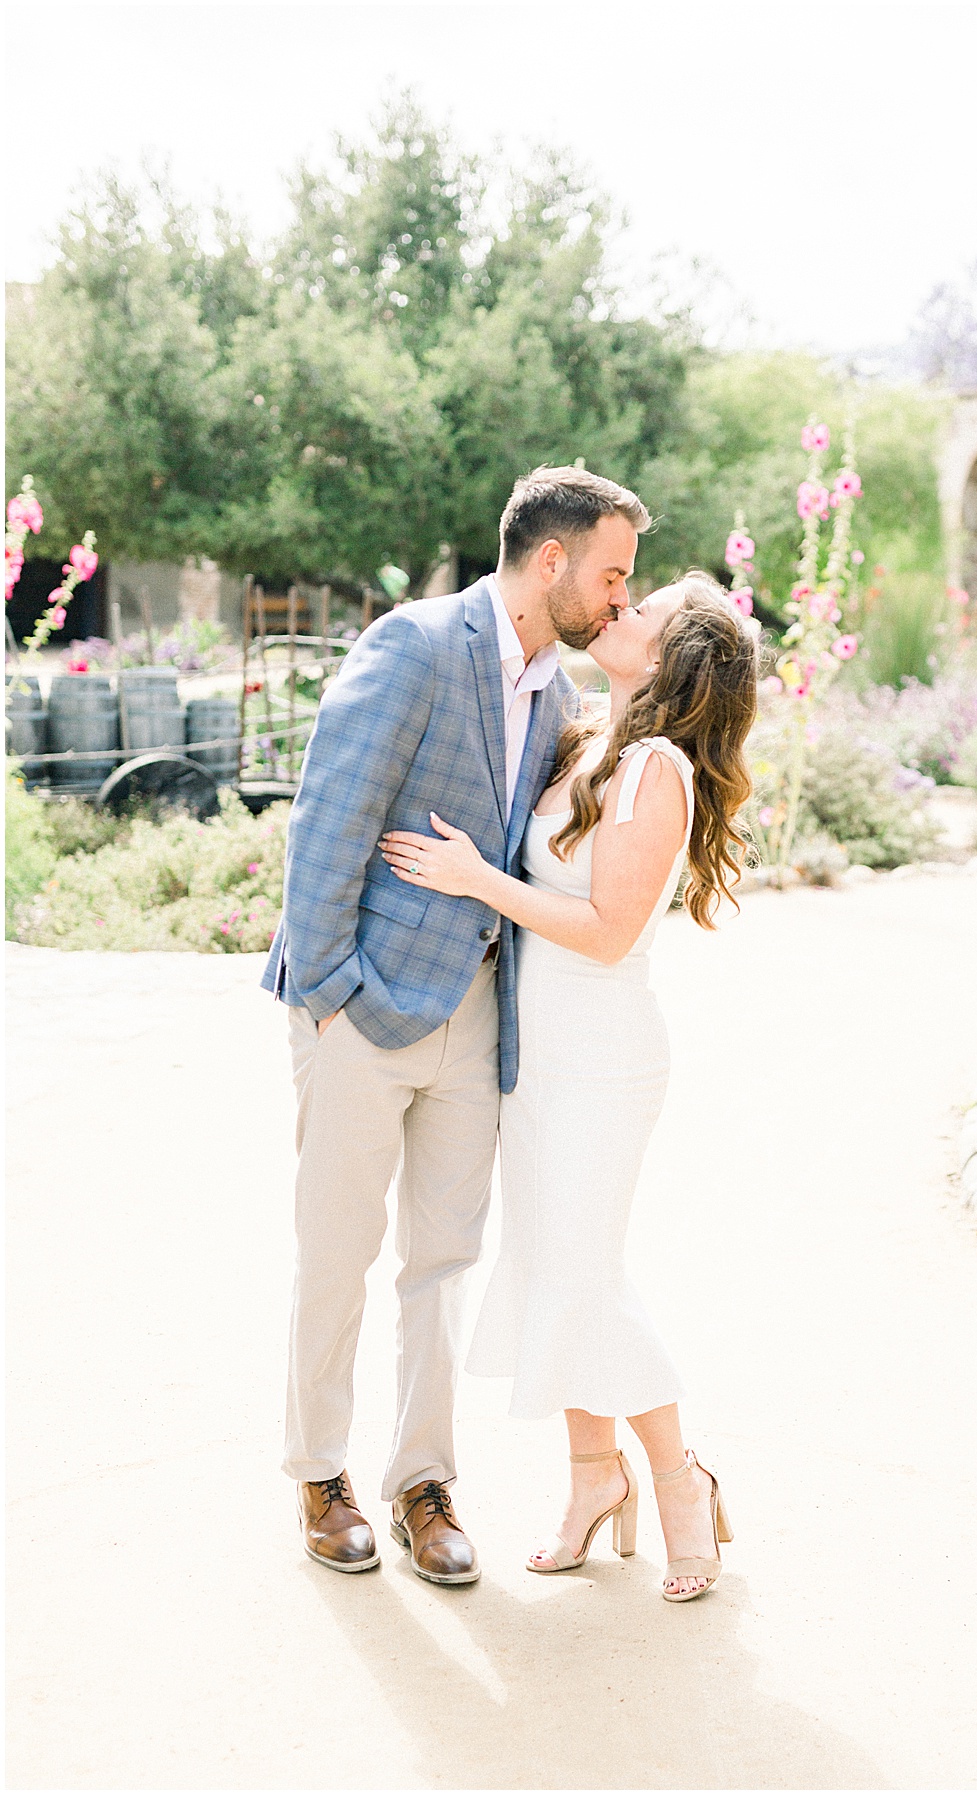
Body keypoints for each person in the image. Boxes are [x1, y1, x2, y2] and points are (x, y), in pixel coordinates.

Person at [265, 465, 651, 1583]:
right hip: (358, 1008)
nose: (619, 601)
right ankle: (319, 1471)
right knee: (337, 1249)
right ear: (550, 562)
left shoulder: (561, 694)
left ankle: (423, 1484)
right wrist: (330, 991)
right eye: (612, 574)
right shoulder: (415, 643)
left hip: (480, 1018)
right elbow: (327, 818)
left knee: (442, 1259)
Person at [380, 570, 758, 1600]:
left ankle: (681, 1480)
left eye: (647, 609)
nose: (618, 610)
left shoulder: (659, 770)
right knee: (551, 1268)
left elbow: (607, 931)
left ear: (676, 656)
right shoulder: (587, 734)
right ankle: (595, 1478)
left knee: (584, 1276)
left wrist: (476, 879)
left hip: (602, 1059)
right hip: (534, 1057)